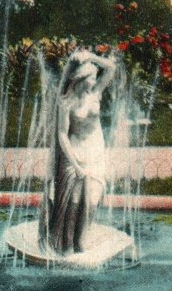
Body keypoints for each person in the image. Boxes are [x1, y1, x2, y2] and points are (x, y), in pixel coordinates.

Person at [41, 49, 116, 254]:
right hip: (74, 155)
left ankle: (81, 242)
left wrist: (91, 58)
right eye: (92, 77)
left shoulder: (96, 94)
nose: (95, 80)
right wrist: (74, 163)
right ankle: (66, 245)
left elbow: (111, 68)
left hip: (95, 154)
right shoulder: (66, 102)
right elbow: (62, 134)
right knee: (72, 204)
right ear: (81, 79)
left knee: (91, 202)